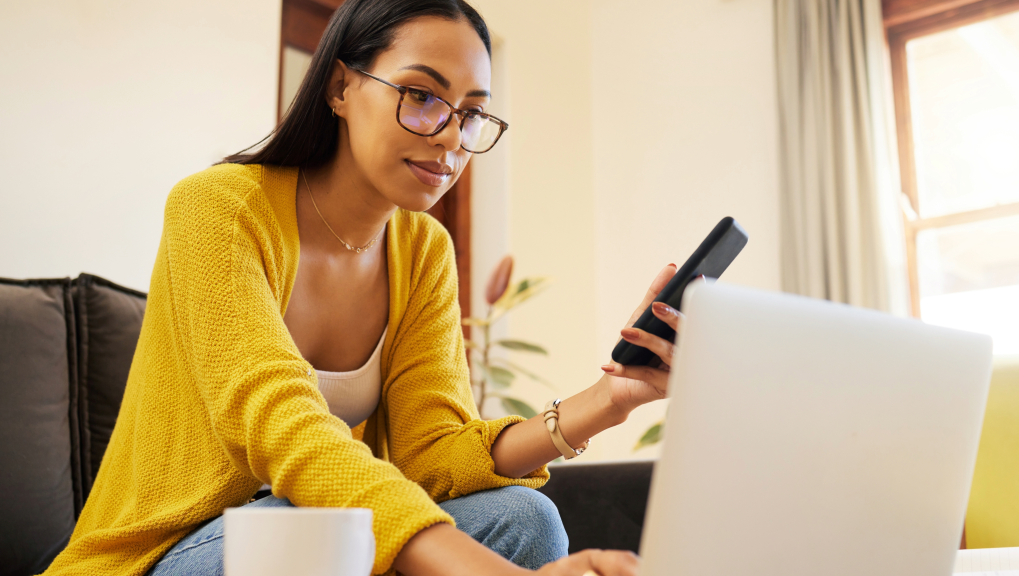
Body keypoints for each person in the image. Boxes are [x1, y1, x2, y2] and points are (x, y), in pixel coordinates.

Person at [42, 1, 684, 575]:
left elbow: (432, 453)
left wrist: (610, 398)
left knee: (525, 519)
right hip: (170, 550)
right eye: (422, 95)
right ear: (341, 87)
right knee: (307, 541)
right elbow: (286, 427)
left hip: (322, 529)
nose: (450, 139)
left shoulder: (424, 249)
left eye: (472, 114)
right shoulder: (217, 209)